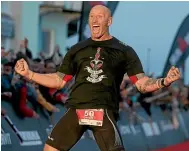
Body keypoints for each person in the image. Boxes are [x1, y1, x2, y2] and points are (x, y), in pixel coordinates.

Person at [15, 5, 181, 151]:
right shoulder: (77, 49)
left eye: (99, 17)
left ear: (109, 21)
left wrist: (164, 81)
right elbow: (58, 80)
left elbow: (142, 83)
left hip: (103, 112)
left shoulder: (125, 51)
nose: (94, 20)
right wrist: (29, 74)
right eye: (91, 17)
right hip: (76, 111)